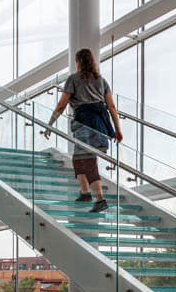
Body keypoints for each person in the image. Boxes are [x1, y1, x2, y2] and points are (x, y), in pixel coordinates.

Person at [44, 48, 123, 212]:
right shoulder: (101, 80)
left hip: (84, 124)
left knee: (87, 161)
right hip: (101, 124)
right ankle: (85, 192)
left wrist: (50, 123)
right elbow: (112, 106)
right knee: (78, 159)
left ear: (78, 62)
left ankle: (100, 199)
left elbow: (61, 104)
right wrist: (117, 129)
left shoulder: (73, 79)